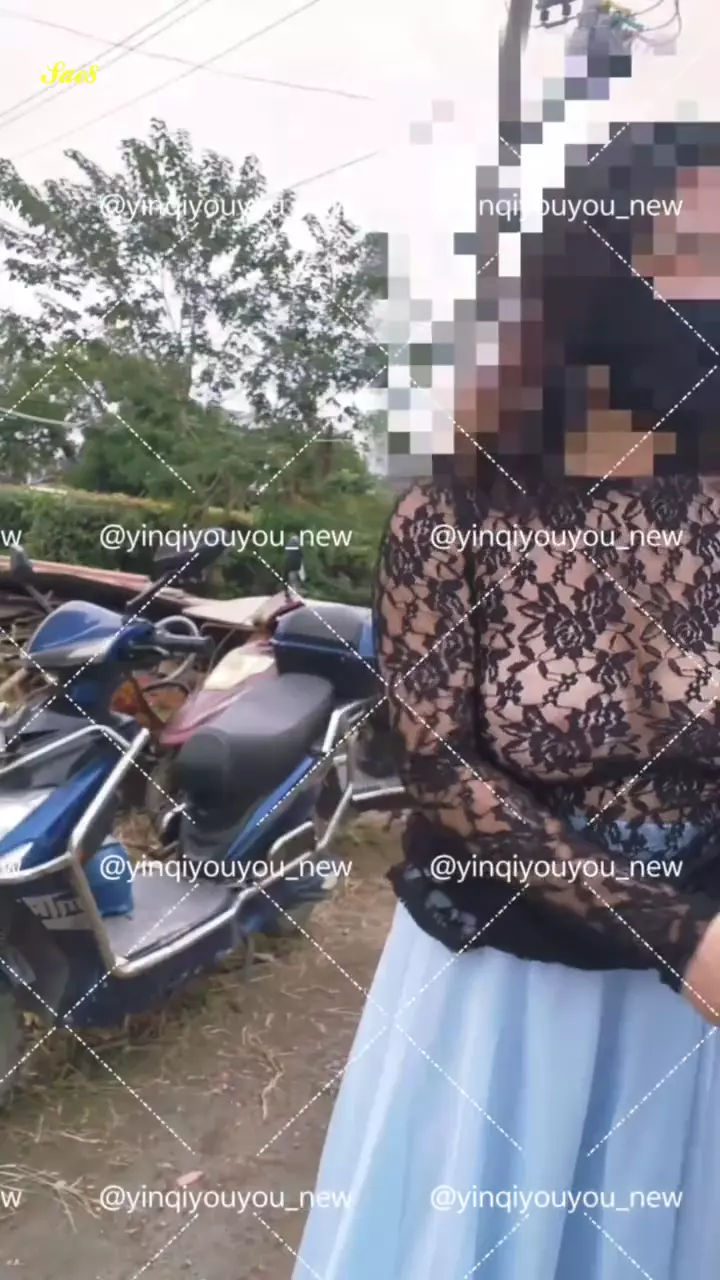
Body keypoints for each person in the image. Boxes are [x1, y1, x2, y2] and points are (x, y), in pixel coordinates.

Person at [291, 122, 720, 1280]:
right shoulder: (457, 511)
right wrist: (676, 933)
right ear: (598, 274)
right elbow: (439, 768)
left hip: (693, 1008)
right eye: (690, 255)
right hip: (506, 996)